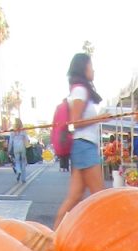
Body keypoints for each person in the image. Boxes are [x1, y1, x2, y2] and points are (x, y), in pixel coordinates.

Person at [53, 52, 104, 228]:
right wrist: (101, 118)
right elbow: (75, 122)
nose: (94, 70)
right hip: (85, 145)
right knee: (100, 196)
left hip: (82, 146)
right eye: (91, 66)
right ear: (84, 68)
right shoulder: (80, 90)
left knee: (75, 197)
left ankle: (53, 236)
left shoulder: (79, 90)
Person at [8, 118, 28, 183]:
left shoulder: (12, 131)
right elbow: (27, 139)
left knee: (17, 161)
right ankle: (23, 178)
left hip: (15, 147)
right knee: (23, 162)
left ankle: (18, 171)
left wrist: (9, 150)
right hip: (22, 146)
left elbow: (11, 142)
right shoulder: (23, 130)